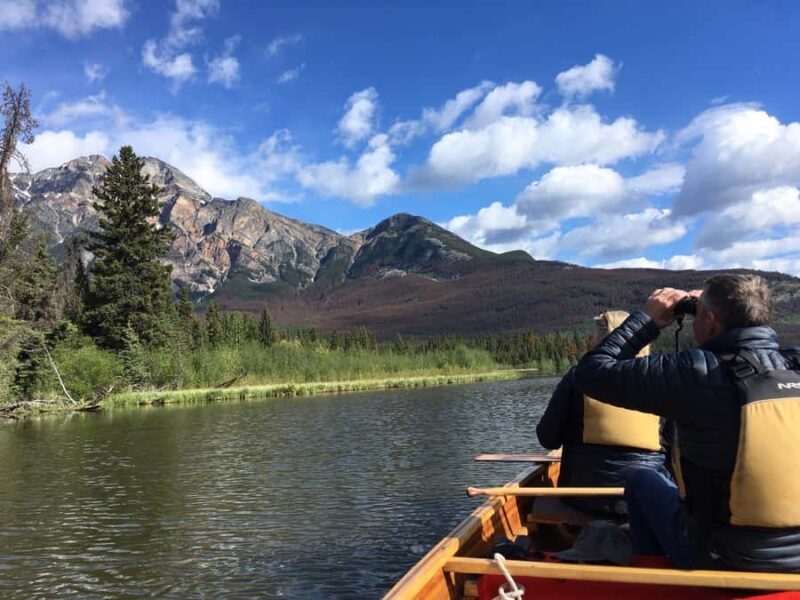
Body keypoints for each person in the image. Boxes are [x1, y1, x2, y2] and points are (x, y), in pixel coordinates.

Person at [575, 274, 800, 572]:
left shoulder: (696, 372)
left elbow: (592, 373)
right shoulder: (794, 365)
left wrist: (649, 319)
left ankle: (653, 571)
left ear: (709, 320)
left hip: (721, 558)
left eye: (698, 315)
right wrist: (709, 304)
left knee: (641, 478)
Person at [536, 310, 668, 519]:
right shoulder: (662, 380)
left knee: (540, 503)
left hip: (583, 500)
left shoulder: (578, 377)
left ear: (599, 340)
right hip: (645, 500)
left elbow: (548, 438)